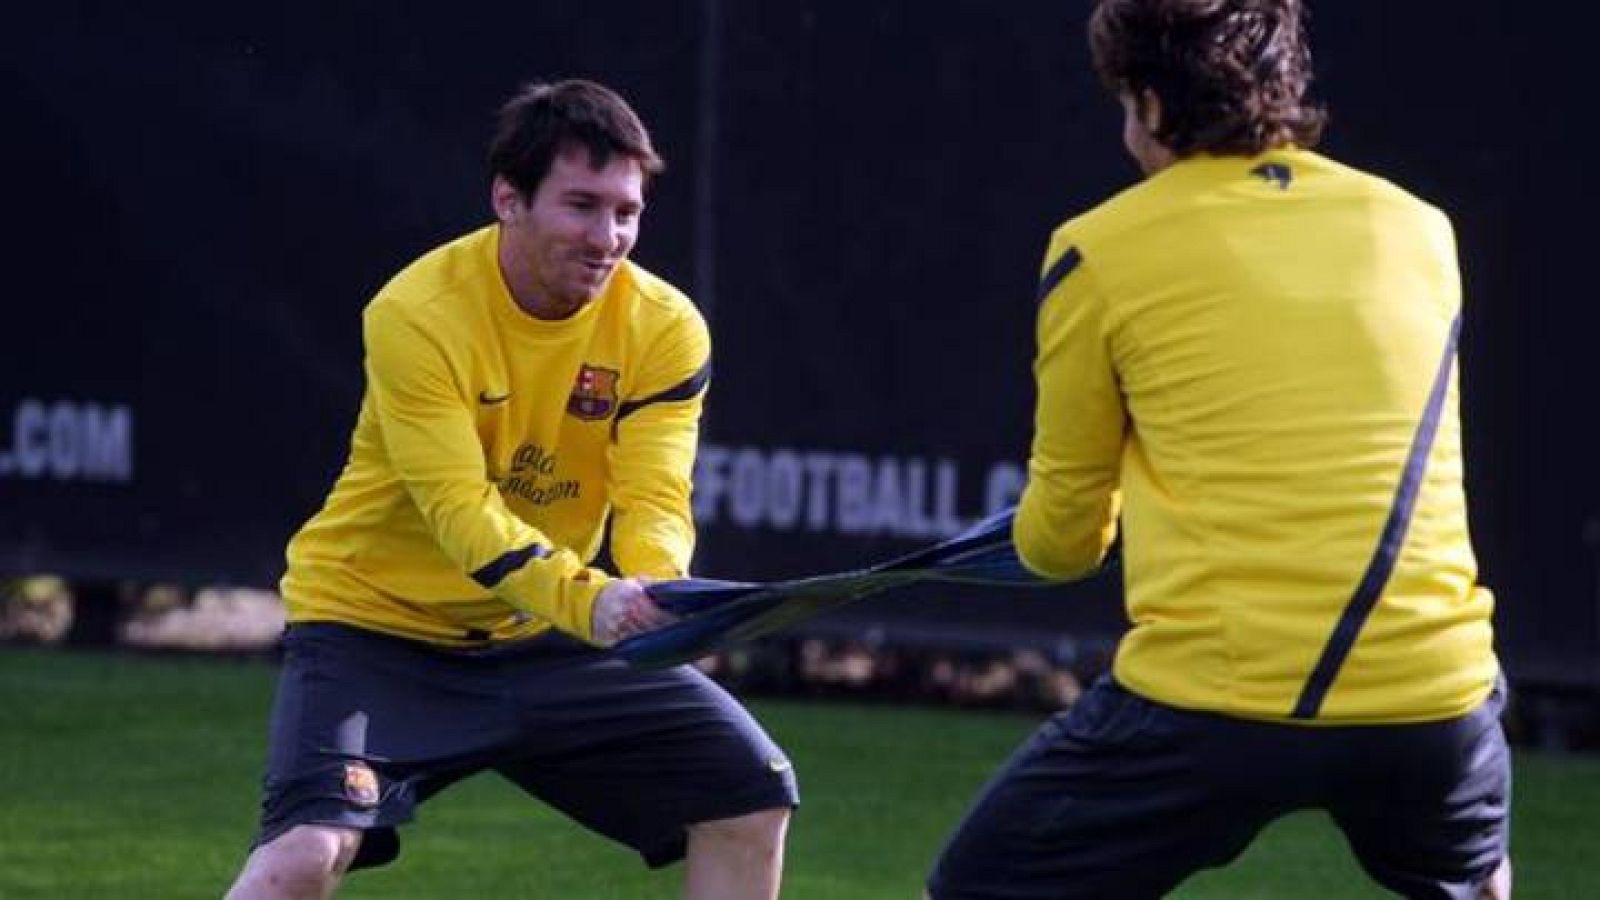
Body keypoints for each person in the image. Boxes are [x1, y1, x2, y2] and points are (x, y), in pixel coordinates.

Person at [926, 2, 1511, 898]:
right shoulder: (1421, 231)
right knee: (1474, 875)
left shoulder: (1095, 251)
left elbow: (1065, 541)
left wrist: (1022, 537)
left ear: (1154, 104)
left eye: (1125, 101)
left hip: (1216, 702)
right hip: (1432, 694)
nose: (1125, 127)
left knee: (978, 886)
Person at [226, 79, 797, 900]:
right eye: (581, 206)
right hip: (376, 629)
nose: (609, 237)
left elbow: (654, 498)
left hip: (544, 632)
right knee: (303, 858)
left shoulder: (666, 328)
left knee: (751, 795)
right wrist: (593, 604)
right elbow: (460, 512)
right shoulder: (416, 313)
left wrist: (657, 593)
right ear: (509, 198)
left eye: (627, 213)